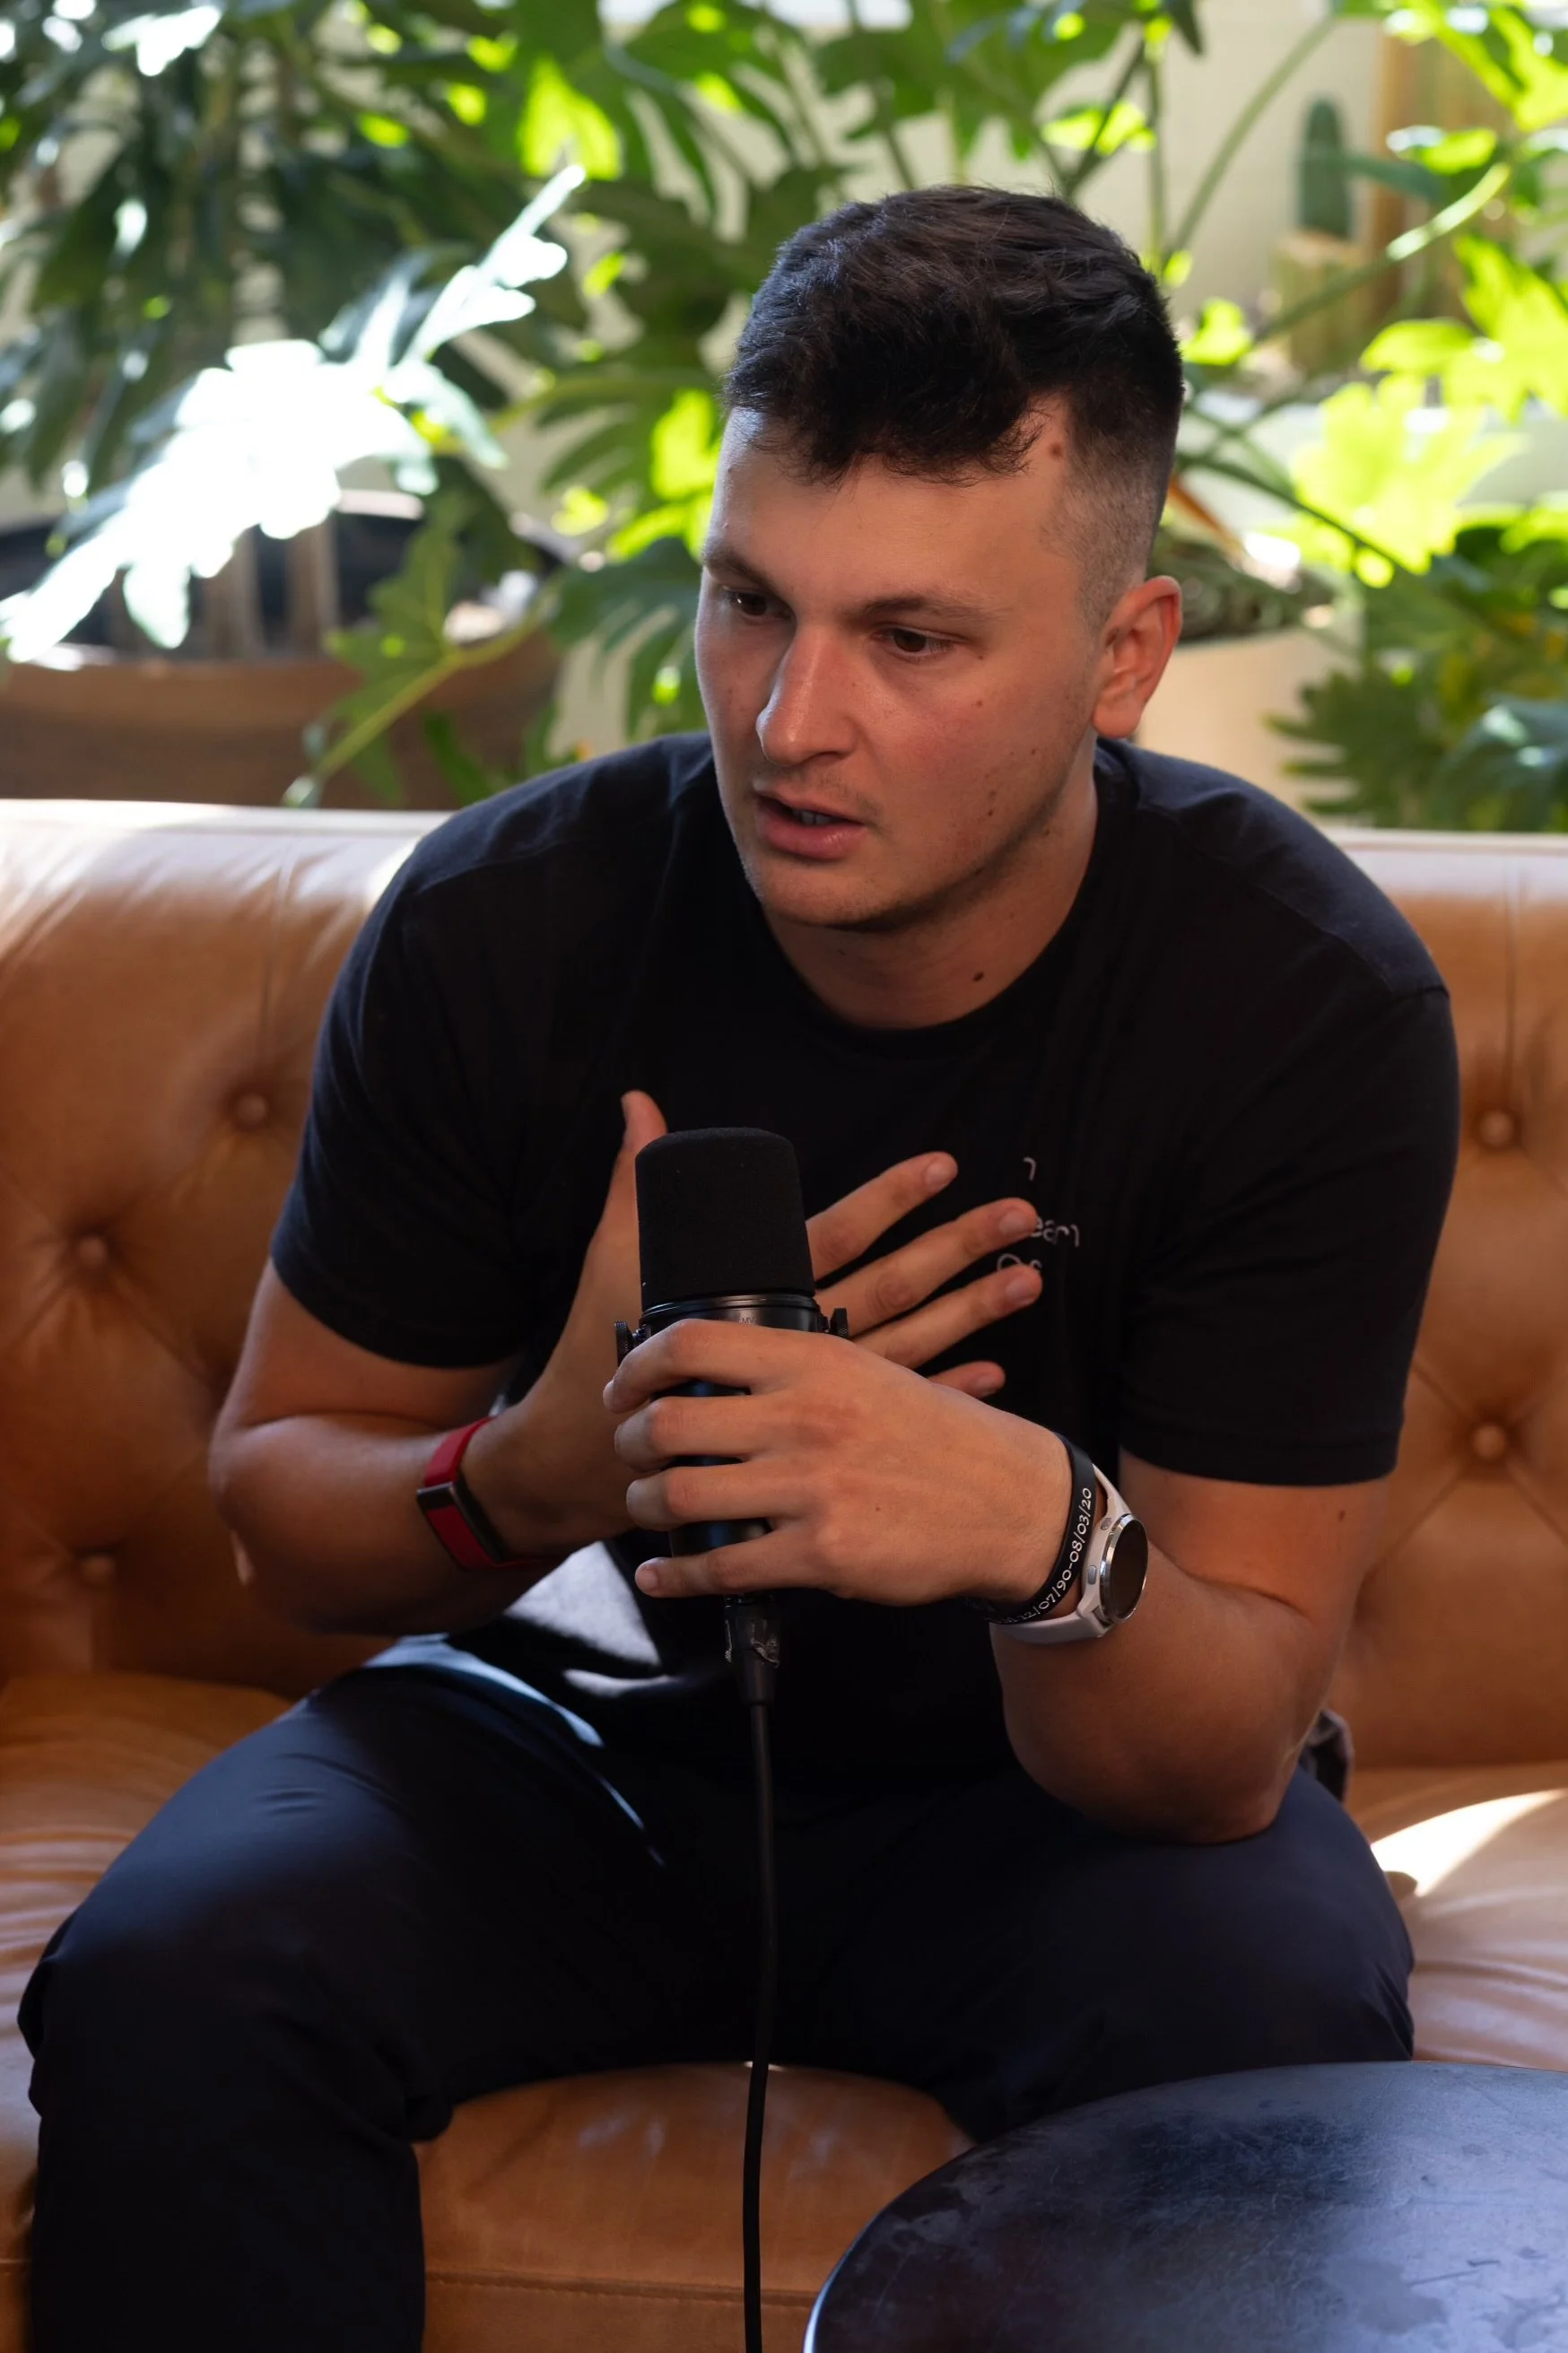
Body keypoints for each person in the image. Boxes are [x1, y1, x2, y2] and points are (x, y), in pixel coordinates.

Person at [22, 187, 1459, 2351]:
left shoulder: (1300, 1002)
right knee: (170, 1978)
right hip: (582, 1735)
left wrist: (1033, 1537)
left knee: (1266, 2002)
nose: (787, 723)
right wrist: (539, 1472)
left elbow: (1218, 1748)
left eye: (913, 640)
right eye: (743, 603)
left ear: (1125, 654)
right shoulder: (510, 922)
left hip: (1051, 1820)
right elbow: (282, 1511)